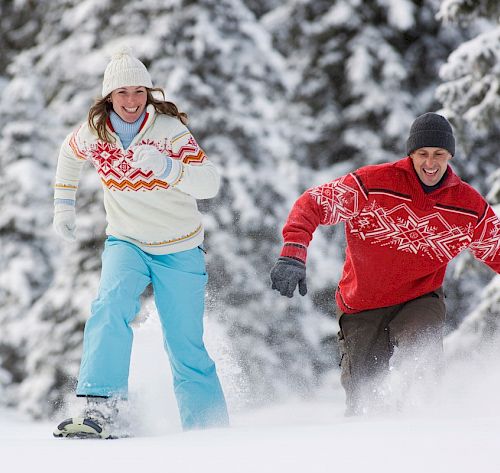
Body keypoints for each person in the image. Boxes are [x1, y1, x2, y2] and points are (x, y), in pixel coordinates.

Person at [270, 112, 500, 415]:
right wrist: (292, 253)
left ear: (450, 156)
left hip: (420, 297)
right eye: (423, 154)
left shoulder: (467, 207)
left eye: (439, 154)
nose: (430, 163)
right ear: (411, 154)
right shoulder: (372, 185)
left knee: (421, 359)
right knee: (364, 397)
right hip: (362, 302)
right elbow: (313, 203)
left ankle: (422, 422)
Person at [52, 48, 229, 437]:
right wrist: (64, 207)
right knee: (109, 306)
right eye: (122, 93)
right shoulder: (95, 134)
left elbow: (210, 183)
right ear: (108, 98)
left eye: (138, 91)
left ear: (148, 93)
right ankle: (102, 409)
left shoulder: (170, 132)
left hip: (179, 246)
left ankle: (208, 430)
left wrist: (168, 167)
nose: (131, 101)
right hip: (126, 241)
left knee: (185, 344)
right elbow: (68, 155)